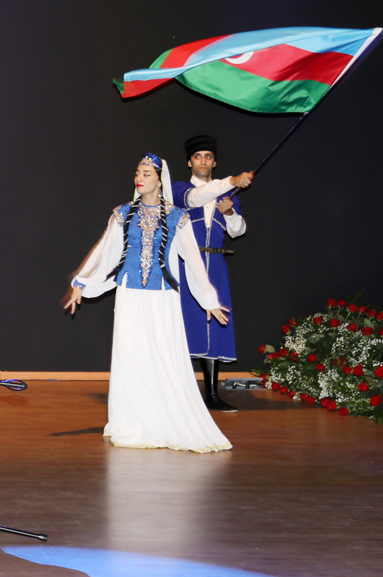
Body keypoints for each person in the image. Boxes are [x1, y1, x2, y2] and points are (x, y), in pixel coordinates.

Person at [63, 153, 232, 453]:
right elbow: (105, 252)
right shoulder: (122, 213)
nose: (139, 178)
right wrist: (82, 283)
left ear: (159, 179)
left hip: (163, 297)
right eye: (137, 173)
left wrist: (209, 299)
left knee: (162, 355)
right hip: (130, 295)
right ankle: (131, 421)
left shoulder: (177, 217)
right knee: (131, 355)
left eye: (146, 173)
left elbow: (193, 261)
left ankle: (163, 419)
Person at [174, 136, 255, 413]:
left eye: (208, 156)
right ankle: (178, 394)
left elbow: (238, 231)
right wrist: (232, 180)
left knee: (214, 326)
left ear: (214, 161)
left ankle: (211, 394)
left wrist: (230, 211)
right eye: (198, 157)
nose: (204, 161)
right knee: (183, 325)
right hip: (187, 263)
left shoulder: (226, 196)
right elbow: (195, 198)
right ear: (189, 162)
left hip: (216, 264)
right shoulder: (180, 189)